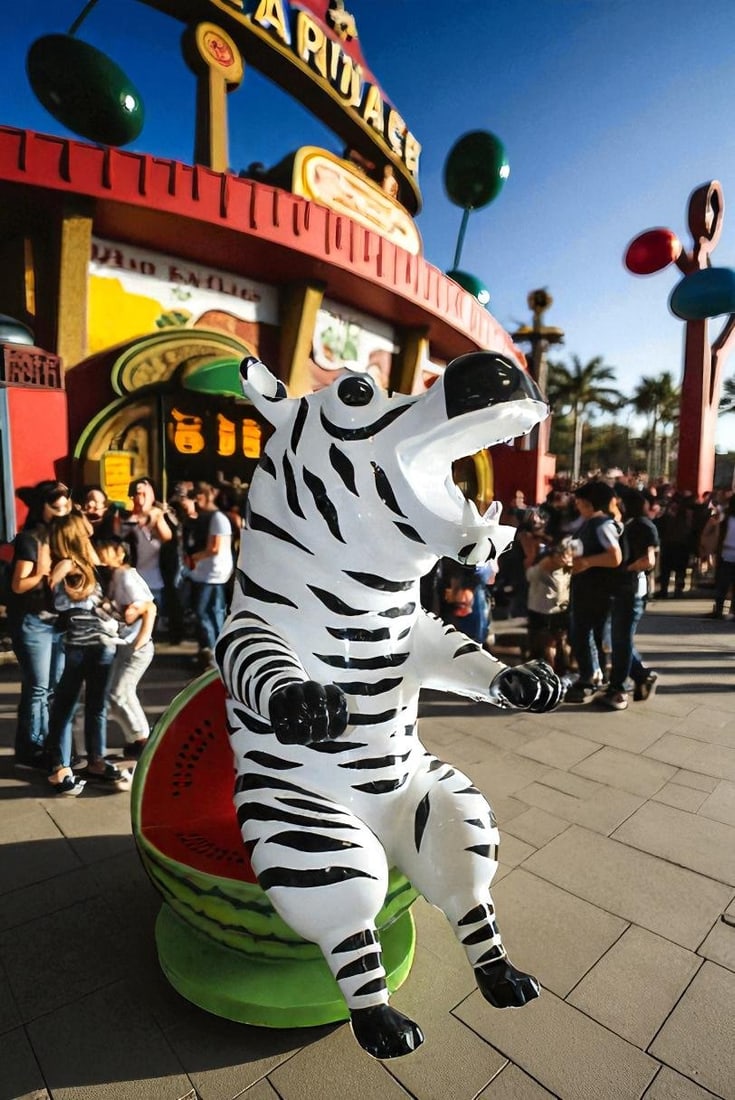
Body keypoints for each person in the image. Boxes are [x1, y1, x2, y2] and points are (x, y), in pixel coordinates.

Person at [45, 512, 128, 795]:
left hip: (94, 646)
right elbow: (60, 601)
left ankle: (87, 761)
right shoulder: (71, 565)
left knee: (85, 706)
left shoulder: (84, 565)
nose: (89, 533)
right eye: (84, 531)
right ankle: (70, 764)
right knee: (75, 706)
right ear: (74, 536)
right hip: (87, 646)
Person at [7, 480, 71, 770]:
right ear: (42, 506)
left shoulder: (62, 536)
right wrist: (47, 573)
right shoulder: (30, 539)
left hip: (56, 620)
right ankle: (31, 748)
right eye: (56, 503)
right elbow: (18, 585)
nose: (63, 507)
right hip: (32, 621)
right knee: (38, 688)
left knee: (52, 687)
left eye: (65, 502)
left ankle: (46, 744)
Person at [597, 489, 659, 710]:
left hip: (631, 590)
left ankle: (619, 688)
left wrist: (625, 569)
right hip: (625, 590)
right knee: (619, 639)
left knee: (620, 640)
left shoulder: (642, 525)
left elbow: (648, 560)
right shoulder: (632, 523)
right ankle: (640, 675)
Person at [96, 536, 157, 758]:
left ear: (121, 553)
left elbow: (149, 607)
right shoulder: (119, 575)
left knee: (119, 693)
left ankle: (142, 739)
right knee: (118, 693)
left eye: (109, 548)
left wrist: (142, 637)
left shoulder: (125, 575)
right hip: (128, 643)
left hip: (135, 645)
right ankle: (137, 739)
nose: (102, 551)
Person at [565, 481, 622, 703]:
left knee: (583, 633)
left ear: (588, 504)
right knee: (591, 633)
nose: (577, 507)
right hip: (590, 589)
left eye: (579, 503)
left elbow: (614, 556)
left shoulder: (600, 524)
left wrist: (587, 562)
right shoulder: (594, 523)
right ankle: (596, 674)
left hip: (594, 590)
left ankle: (589, 677)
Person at [186, 481, 234, 668]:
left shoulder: (217, 518)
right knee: (212, 612)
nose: (197, 503)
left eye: (198, 499)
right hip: (209, 573)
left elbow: (214, 548)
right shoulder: (210, 518)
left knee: (204, 612)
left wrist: (193, 558)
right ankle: (212, 651)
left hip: (213, 573)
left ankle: (213, 651)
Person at [121, 477, 173, 616]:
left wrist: (156, 517)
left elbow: (168, 538)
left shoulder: (160, 516)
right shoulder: (127, 520)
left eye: (147, 493)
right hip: (134, 580)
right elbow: (120, 537)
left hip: (157, 579)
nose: (143, 497)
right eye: (140, 493)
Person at [525, 540, 573, 680]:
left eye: (568, 556)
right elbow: (529, 576)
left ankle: (561, 671)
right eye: (561, 555)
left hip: (560, 610)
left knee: (560, 641)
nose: (565, 559)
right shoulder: (542, 566)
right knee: (543, 643)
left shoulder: (568, 568)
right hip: (540, 610)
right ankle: (543, 671)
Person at [708, 494, 735, 619]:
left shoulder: (727, 518)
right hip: (726, 553)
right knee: (723, 584)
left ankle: (720, 610)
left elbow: (720, 537)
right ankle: (723, 610)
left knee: (722, 584)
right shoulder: (726, 518)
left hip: (726, 553)